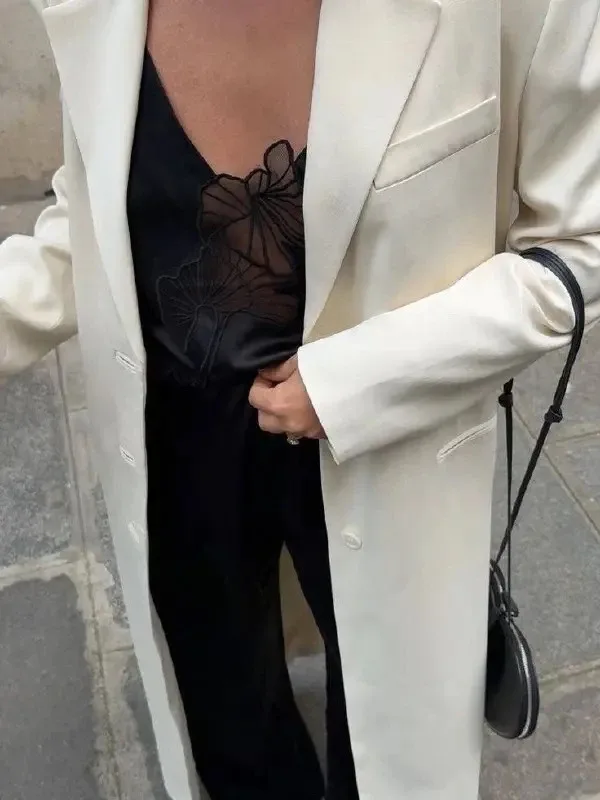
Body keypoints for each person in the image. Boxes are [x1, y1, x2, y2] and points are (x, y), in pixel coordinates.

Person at [1, 0, 599, 797]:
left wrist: (359, 382)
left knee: (390, 739)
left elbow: (577, 247)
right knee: (225, 709)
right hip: (173, 438)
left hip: (390, 447)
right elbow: (94, 216)